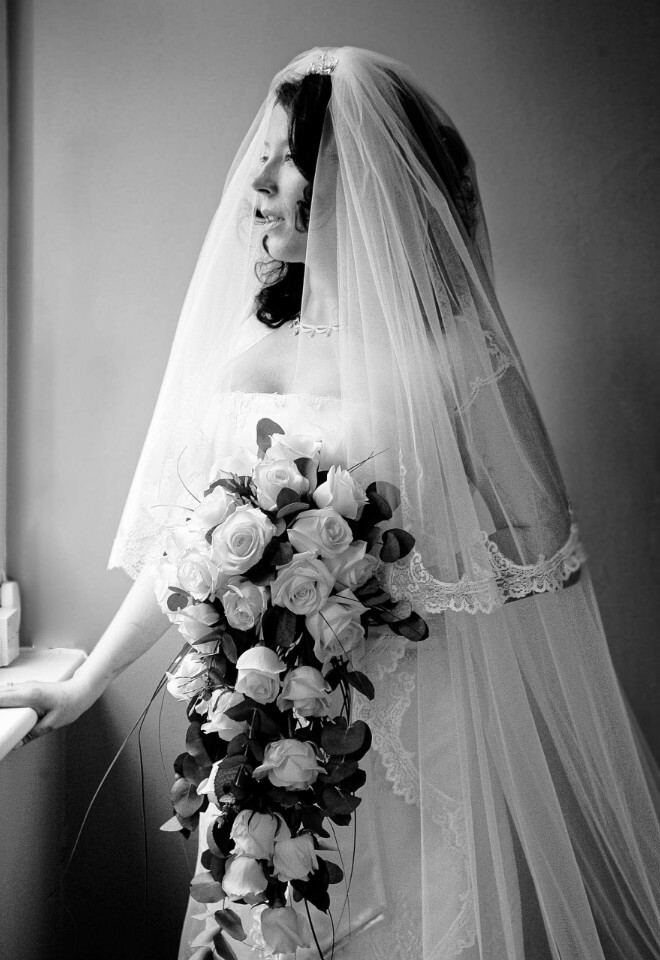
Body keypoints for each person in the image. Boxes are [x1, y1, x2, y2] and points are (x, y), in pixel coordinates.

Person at [1, 46, 659, 960]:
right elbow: (189, 556)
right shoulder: (247, 352)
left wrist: (369, 576)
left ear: (355, 181)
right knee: (263, 921)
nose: (258, 182)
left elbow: (542, 539)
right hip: (263, 727)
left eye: (286, 160)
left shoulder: (450, 356)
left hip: (406, 726)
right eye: (263, 157)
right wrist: (88, 680)